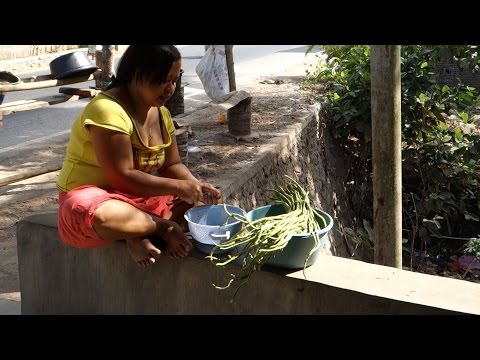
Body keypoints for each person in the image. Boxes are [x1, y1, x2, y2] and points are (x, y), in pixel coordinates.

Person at [56, 45, 221, 267]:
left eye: (175, 80)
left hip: (139, 199)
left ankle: (135, 232)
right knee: (95, 215)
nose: (170, 88)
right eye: (163, 80)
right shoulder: (107, 110)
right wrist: (178, 188)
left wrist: (194, 187)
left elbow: (172, 164)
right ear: (136, 73)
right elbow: (121, 177)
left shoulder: (161, 113)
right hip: (97, 198)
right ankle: (161, 227)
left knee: (206, 204)